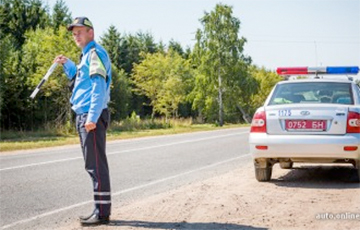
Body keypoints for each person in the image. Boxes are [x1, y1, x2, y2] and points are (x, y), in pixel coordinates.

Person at [54, 17, 112, 226]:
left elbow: (98, 86)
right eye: (74, 33)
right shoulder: (86, 56)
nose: (76, 36)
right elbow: (79, 76)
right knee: (92, 165)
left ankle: (103, 213)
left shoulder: (95, 54)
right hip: (85, 115)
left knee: (96, 166)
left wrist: (92, 117)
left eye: (80, 32)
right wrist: (66, 63)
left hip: (90, 116)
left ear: (91, 33)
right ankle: (100, 209)